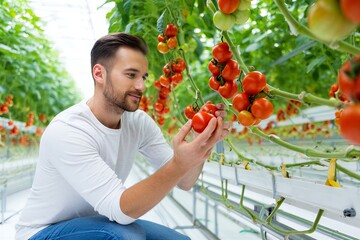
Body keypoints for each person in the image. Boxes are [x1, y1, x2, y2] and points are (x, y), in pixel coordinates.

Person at [15, 32, 231, 240]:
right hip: (42, 232)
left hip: (95, 223)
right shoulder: (69, 130)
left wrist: (201, 142)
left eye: (143, 77)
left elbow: (185, 180)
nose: (141, 86)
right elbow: (119, 209)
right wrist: (177, 164)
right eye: (131, 75)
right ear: (99, 74)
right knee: (123, 235)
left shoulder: (137, 122)